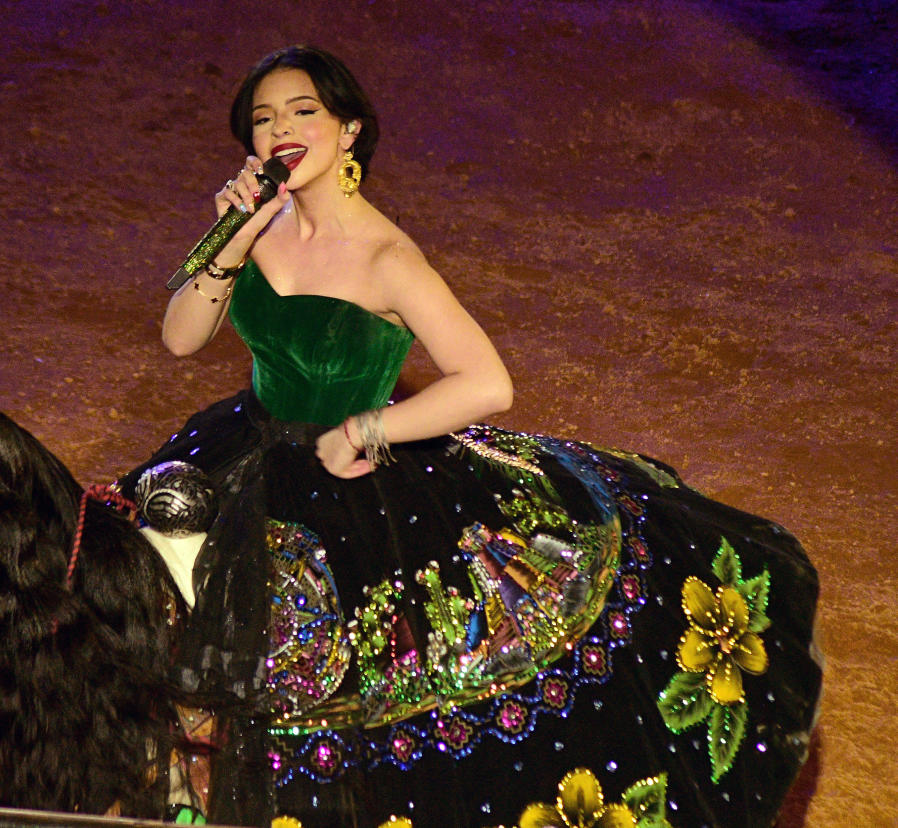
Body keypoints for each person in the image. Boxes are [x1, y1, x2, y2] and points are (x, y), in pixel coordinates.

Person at [120, 45, 821, 828]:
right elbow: (182, 340)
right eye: (263, 118)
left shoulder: (388, 258)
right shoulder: (257, 224)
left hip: (356, 491)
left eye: (303, 111)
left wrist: (371, 426)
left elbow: (487, 382)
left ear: (349, 132)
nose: (280, 129)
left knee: (332, 685)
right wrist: (231, 241)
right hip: (248, 448)